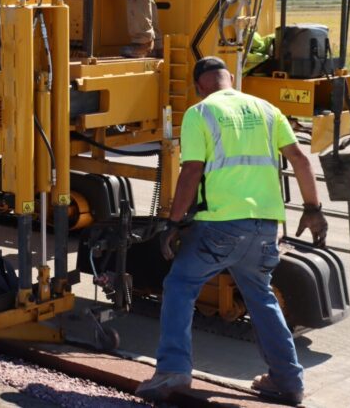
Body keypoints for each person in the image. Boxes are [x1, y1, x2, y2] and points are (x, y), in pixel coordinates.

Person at [136, 57, 329, 405]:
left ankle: (173, 370)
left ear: (200, 85)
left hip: (220, 227)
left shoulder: (200, 113)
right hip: (266, 227)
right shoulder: (267, 110)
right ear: (229, 79)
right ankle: (288, 381)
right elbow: (300, 159)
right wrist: (313, 209)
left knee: (180, 285)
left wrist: (173, 222)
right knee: (261, 297)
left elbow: (192, 170)